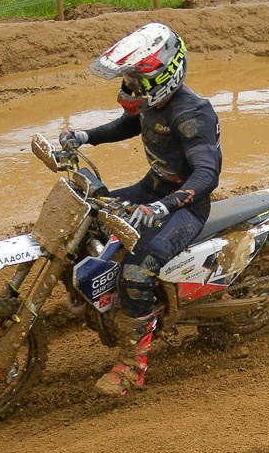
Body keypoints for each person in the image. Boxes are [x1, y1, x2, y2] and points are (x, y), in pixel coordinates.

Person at [56, 21, 221, 398]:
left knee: (137, 268)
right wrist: (84, 137)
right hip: (154, 187)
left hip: (185, 205)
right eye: (127, 78)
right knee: (90, 219)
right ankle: (95, 298)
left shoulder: (192, 114)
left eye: (135, 79)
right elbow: (130, 124)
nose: (128, 87)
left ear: (165, 75)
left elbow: (206, 173)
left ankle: (133, 367)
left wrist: (167, 204)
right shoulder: (153, 102)